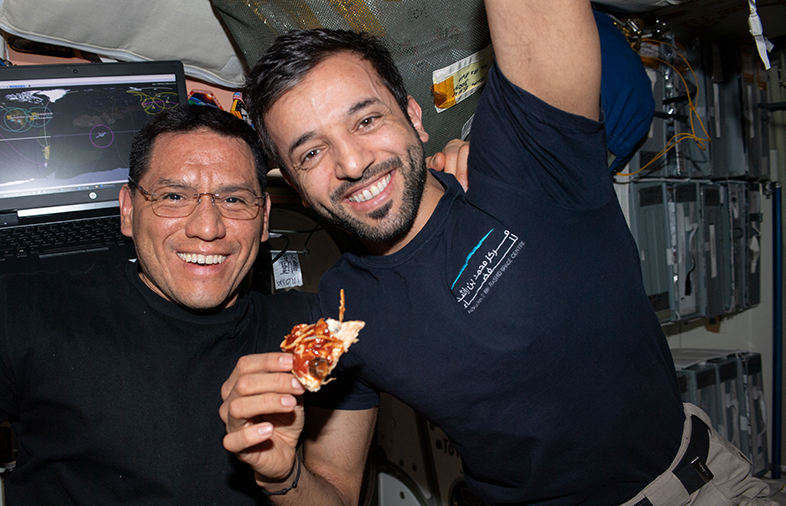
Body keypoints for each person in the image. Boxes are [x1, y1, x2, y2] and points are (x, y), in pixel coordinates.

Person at [219, 1, 775, 504]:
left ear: (413, 116)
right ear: (292, 186)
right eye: (311, 152)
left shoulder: (529, 160)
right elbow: (334, 492)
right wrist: (281, 478)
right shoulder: (341, 311)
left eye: (366, 120)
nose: (353, 163)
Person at [0, 104, 319, 505]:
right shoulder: (23, 312)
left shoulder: (312, 338)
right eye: (173, 196)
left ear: (263, 221)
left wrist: (285, 477)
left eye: (233, 199)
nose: (207, 227)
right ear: (128, 211)